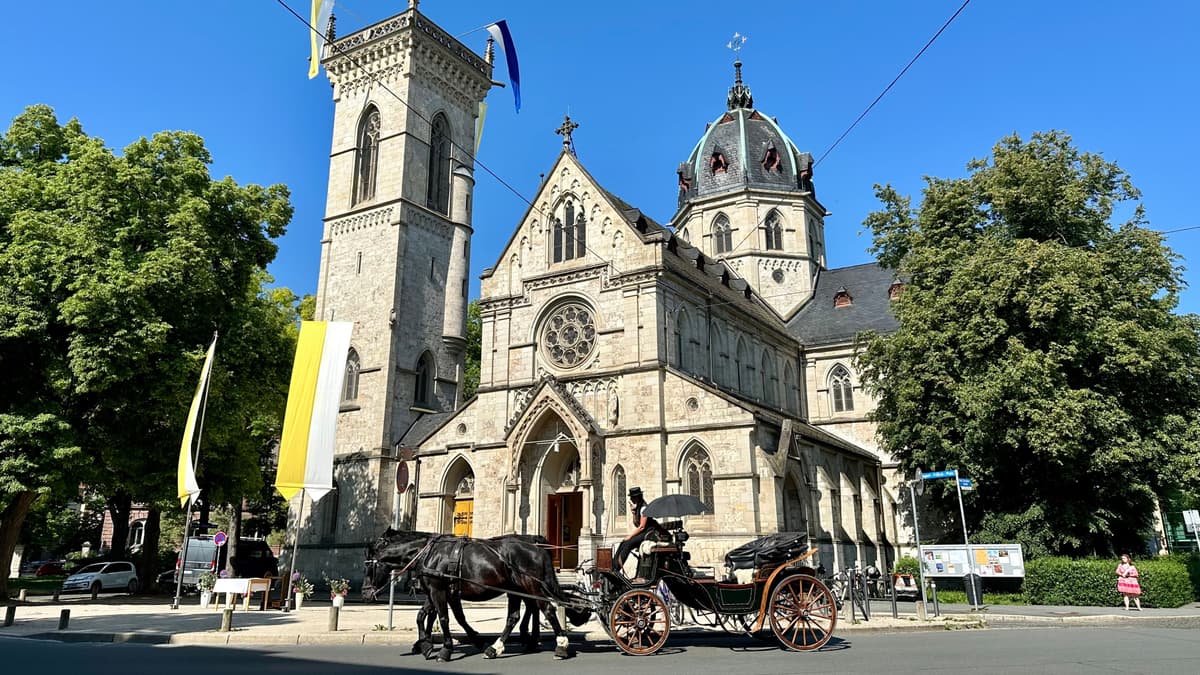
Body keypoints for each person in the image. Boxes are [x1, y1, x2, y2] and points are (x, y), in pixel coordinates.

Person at [614, 487, 668, 579]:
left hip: (650, 533)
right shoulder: (638, 507)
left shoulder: (644, 508)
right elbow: (636, 523)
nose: (631, 499)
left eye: (632, 497)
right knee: (623, 542)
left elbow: (642, 526)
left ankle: (616, 568)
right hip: (645, 532)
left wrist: (630, 536)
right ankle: (614, 566)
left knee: (628, 544)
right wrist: (633, 512)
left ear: (637, 497)